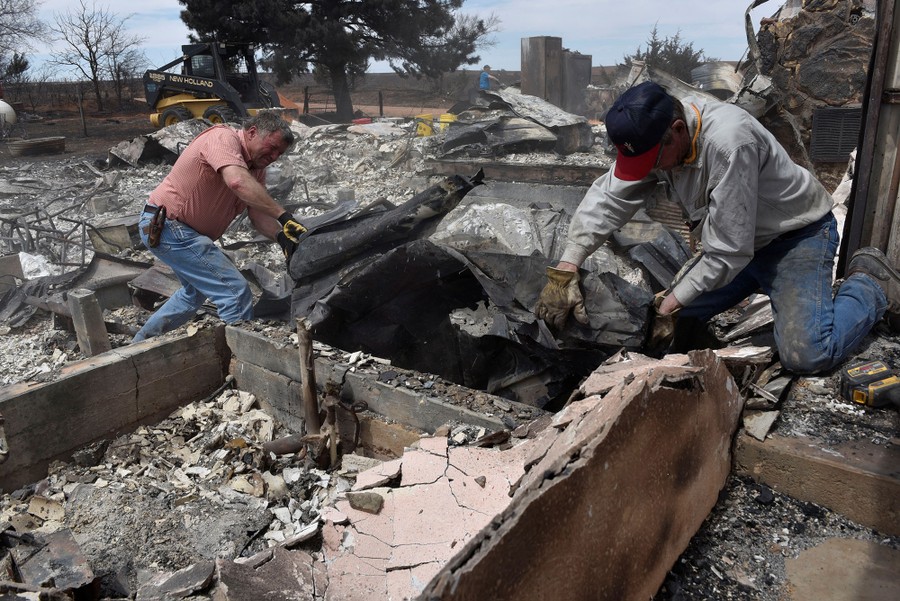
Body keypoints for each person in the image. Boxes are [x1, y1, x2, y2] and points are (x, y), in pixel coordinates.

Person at [534, 81, 899, 375]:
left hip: (795, 239)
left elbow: (728, 250)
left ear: (678, 130)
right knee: (667, 319)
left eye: (651, 161)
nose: (646, 170)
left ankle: (870, 286)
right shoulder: (653, 131)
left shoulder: (729, 143)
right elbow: (609, 198)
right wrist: (566, 268)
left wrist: (671, 303)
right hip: (738, 246)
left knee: (807, 356)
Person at [132, 110, 306, 343]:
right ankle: (243, 358)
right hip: (169, 226)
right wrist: (284, 216)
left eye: (280, 153)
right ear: (252, 132)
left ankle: (141, 343)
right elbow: (237, 181)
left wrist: (281, 236)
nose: (274, 156)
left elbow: (257, 215)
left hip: (184, 232)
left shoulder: (256, 168)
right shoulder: (223, 138)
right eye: (272, 147)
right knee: (234, 292)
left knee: (193, 293)